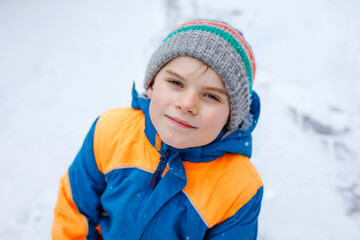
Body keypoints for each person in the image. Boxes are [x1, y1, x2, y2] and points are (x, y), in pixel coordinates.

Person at [52, 19, 263, 239]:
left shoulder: (240, 189)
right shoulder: (110, 131)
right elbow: (75, 210)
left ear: (231, 115)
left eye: (211, 96)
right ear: (151, 85)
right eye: (176, 83)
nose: (187, 104)